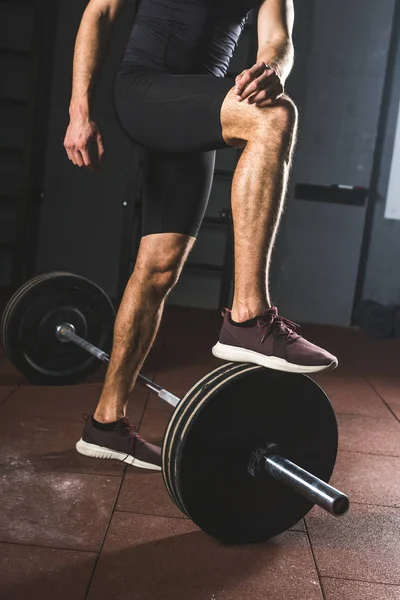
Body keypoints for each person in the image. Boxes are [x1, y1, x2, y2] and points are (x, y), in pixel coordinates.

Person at [64, 0, 338, 471]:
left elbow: (278, 38)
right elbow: (101, 11)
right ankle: (248, 318)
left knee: (158, 268)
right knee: (274, 118)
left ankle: (104, 425)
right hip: (144, 89)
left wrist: (271, 67)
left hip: (198, 103)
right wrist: (79, 110)